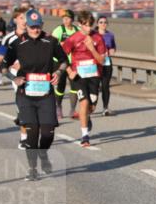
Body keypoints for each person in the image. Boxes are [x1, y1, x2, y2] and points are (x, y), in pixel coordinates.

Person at [3, 9, 68, 181]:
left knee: (47, 133)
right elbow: (3, 67)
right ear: (27, 27)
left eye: (37, 26)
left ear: (42, 25)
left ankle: (43, 154)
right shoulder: (17, 43)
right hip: (26, 94)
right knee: (32, 133)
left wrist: (59, 73)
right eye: (32, 27)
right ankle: (32, 169)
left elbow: (64, 61)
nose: (35, 30)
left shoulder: (51, 41)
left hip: (45, 93)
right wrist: (14, 78)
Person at [60, 10, 106, 147]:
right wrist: (69, 71)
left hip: (94, 75)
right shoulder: (72, 39)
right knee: (84, 102)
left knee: (91, 106)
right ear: (79, 24)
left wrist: (92, 48)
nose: (88, 29)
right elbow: (61, 57)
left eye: (90, 26)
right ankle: (85, 136)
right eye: (85, 25)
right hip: (78, 76)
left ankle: (87, 115)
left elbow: (102, 61)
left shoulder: (98, 38)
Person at [0, 7, 29, 148]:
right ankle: (24, 138)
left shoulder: (34, 35)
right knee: (23, 106)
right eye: (21, 18)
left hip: (34, 74)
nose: (24, 21)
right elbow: (0, 57)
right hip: (17, 76)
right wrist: (11, 64)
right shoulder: (8, 38)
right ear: (15, 19)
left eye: (26, 18)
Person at [50, 9, 78, 120]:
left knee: (74, 86)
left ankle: (72, 109)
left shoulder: (77, 30)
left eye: (68, 18)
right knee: (60, 86)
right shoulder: (59, 30)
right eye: (64, 18)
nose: (65, 20)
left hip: (73, 62)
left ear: (72, 19)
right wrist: (61, 44)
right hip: (60, 62)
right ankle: (58, 107)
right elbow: (52, 44)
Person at [96, 16, 117, 115]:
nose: (103, 24)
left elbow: (113, 48)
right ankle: (91, 106)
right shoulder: (93, 34)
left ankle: (105, 108)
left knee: (105, 86)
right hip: (95, 64)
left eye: (105, 22)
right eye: (101, 22)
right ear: (97, 24)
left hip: (107, 63)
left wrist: (111, 51)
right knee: (94, 86)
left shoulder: (110, 35)